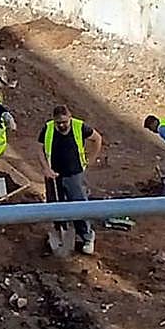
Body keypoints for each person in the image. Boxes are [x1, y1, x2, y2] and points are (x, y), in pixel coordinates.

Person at [38, 104, 103, 255]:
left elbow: (97, 139)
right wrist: (46, 169)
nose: (61, 125)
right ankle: (60, 231)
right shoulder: (47, 128)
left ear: (70, 118)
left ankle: (87, 236)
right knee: (55, 205)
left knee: (78, 204)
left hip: (74, 174)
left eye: (64, 122)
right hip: (53, 175)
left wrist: (90, 159)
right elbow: (38, 148)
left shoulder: (80, 127)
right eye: (58, 123)